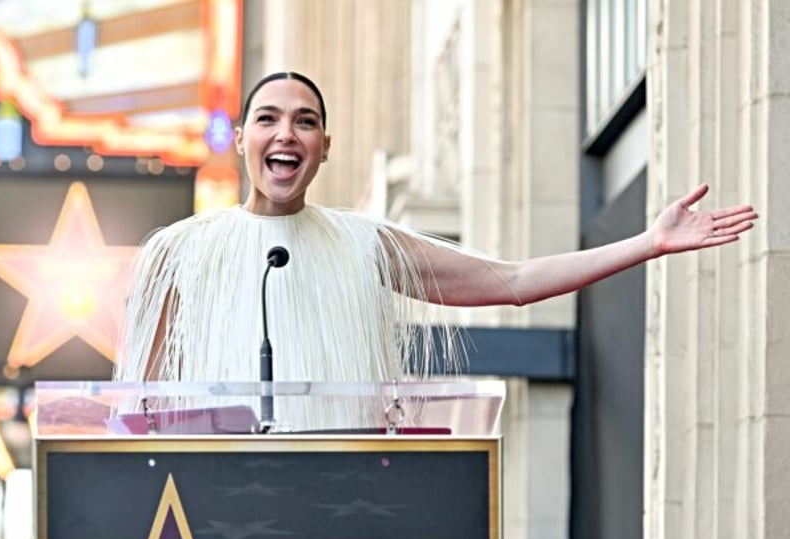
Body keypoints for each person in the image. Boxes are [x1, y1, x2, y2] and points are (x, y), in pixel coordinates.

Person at [112, 71, 757, 430]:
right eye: (269, 118)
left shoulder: (364, 243)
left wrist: (648, 243)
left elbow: (512, 281)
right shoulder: (181, 251)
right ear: (243, 139)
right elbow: (132, 412)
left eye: (305, 121)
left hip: (333, 513)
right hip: (207, 516)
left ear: (325, 146)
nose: (287, 133)